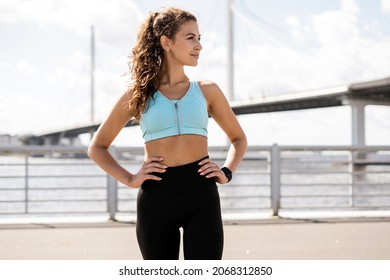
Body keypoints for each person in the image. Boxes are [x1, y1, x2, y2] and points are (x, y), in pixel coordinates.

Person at [88, 7, 247, 260]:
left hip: (201, 195)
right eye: (190, 38)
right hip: (156, 199)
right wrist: (130, 178)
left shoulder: (207, 91)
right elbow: (97, 147)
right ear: (166, 42)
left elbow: (239, 139)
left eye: (199, 38)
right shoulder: (137, 95)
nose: (199, 46)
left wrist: (226, 172)